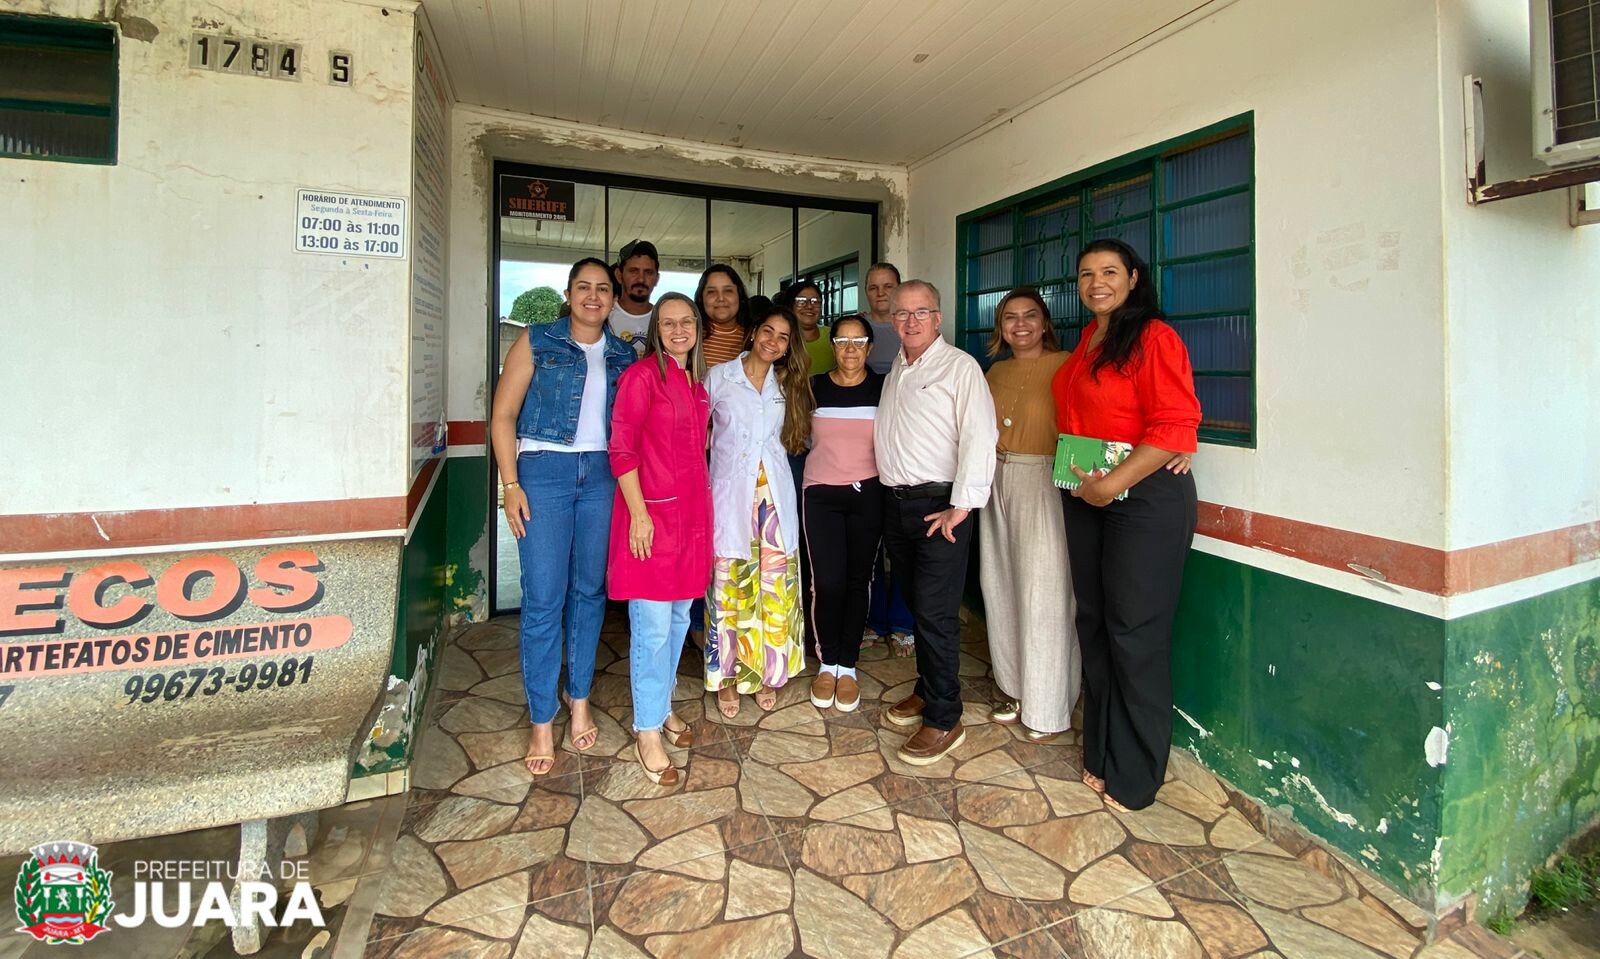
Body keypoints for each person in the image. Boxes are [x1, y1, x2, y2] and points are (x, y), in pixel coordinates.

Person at [1052, 238, 1200, 812]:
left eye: (1110, 272)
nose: (1097, 284)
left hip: (1141, 500)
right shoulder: (1090, 339)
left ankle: (1136, 775)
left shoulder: (1154, 337)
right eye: (1086, 274)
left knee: (1135, 633)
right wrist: (1092, 487)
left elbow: (1174, 424)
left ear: (1134, 278)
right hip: (1087, 494)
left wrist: (1112, 484)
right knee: (1095, 623)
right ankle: (1102, 751)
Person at [490, 258, 635, 776]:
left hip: (602, 477)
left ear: (613, 298)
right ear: (569, 293)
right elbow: (503, 415)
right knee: (544, 598)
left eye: (603, 289)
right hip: (543, 472)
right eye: (584, 287)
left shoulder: (623, 354)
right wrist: (510, 484)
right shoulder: (536, 340)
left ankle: (579, 699)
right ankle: (541, 718)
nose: (593, 296)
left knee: (588, 592)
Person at [877, 280, 998, 765]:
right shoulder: (897, 368)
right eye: (902, 313)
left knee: (936, 613)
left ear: (938, 317)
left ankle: (945, 716)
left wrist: (961, 506)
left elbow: (979, 437)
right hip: (897, 505)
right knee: (916, 602)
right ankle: (928, 688)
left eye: (920, 312)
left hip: (940, 507)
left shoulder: (959, 367)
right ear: (892, 320)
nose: (911, 321)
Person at [607, 292, 711, 786]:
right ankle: (646, 729)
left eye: (686, 321)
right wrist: (639, 515)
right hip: (650, 518)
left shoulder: (697, 384)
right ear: (655, 330)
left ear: (697, 327)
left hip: (691, 521)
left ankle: (662, 705)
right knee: (651, 629)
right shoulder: (641, 377)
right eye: (667, 323)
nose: (678, 330)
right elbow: (622, 449)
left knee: (678, 619)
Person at [977, 288, 1078, 742]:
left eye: (1029, 316)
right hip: (995, 477)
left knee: (1045, 592)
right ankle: (1015, 689)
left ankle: (1048, 707)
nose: (1020, 325)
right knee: (999, 583)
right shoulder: (995, 371)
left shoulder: (1067, 365)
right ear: (1000, 327)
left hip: (1043, 478)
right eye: (1010, 317)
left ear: (1045, 323)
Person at [703, 305, 813, 716]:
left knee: (774, 587)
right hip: (730, 498)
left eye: (783, 337)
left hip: (774, 502)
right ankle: (727, 678)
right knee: (729, 586)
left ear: (788, 347)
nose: (773, 341)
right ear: (753, 333)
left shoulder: (787, 384)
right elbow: (697, 433)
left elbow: (798, 438)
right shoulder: (719, 377)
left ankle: (768, 672)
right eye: (768, 331)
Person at [802, 314, 883, 712]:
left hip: (869, 494)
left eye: (859, 341)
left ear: (870, 347)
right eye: (842, 341)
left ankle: (847, 665)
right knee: (827, 582)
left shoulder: (884, 389)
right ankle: (827, 661)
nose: (850, 349)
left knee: (857, 580)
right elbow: (796, 435)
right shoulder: (813, 387)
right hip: (820, 494)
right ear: (832, 346)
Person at [609, 239, 660, 359]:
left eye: (648, 272)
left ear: (656, 279)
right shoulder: (604, 318)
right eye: (633, 271)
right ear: (619, 275)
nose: (641, 279)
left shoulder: (664, 319)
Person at [696, 264, 752, 368]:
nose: (720, 298)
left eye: (728, 291)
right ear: (701, 298)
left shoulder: (752, 338)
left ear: (739, 295)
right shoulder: (690, 335)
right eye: (711, 292)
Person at [785, 279, 835, 375]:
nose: (809, 306)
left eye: (815, 301)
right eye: (801, 301)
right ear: (790, 305)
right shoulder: (781, 338)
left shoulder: (833, 335)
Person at [862, 263, 903, 375]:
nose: (880, 293)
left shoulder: (913, 326)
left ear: (899, 289)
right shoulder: (855, 327)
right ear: (866, 291)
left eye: (888, 286)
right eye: (873, 288)